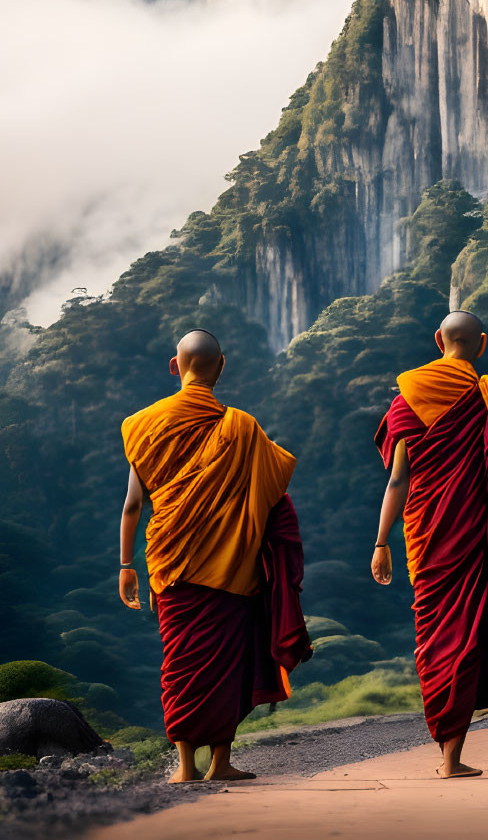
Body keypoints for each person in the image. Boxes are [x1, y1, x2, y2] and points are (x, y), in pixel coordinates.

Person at [119, 329, 310, 784]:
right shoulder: (242, 427)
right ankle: (220, 764)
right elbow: (273, 496)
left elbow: (132, 503)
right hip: (230, 564)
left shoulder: (143, 424)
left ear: (174, 366)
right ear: (221, 366)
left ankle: (185, 766)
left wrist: (126, 565)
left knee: (180, 662)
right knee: (226, 664)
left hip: (170, 561)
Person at [371, 311, 488, 779]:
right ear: (482, 344)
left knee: (437, 638)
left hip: (428, 540)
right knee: (467, 641)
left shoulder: (406, 401)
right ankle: (452, 758)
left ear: (437, 340)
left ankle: (447, 755)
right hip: (480, 538)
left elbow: (397, 481)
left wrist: (381, 541)